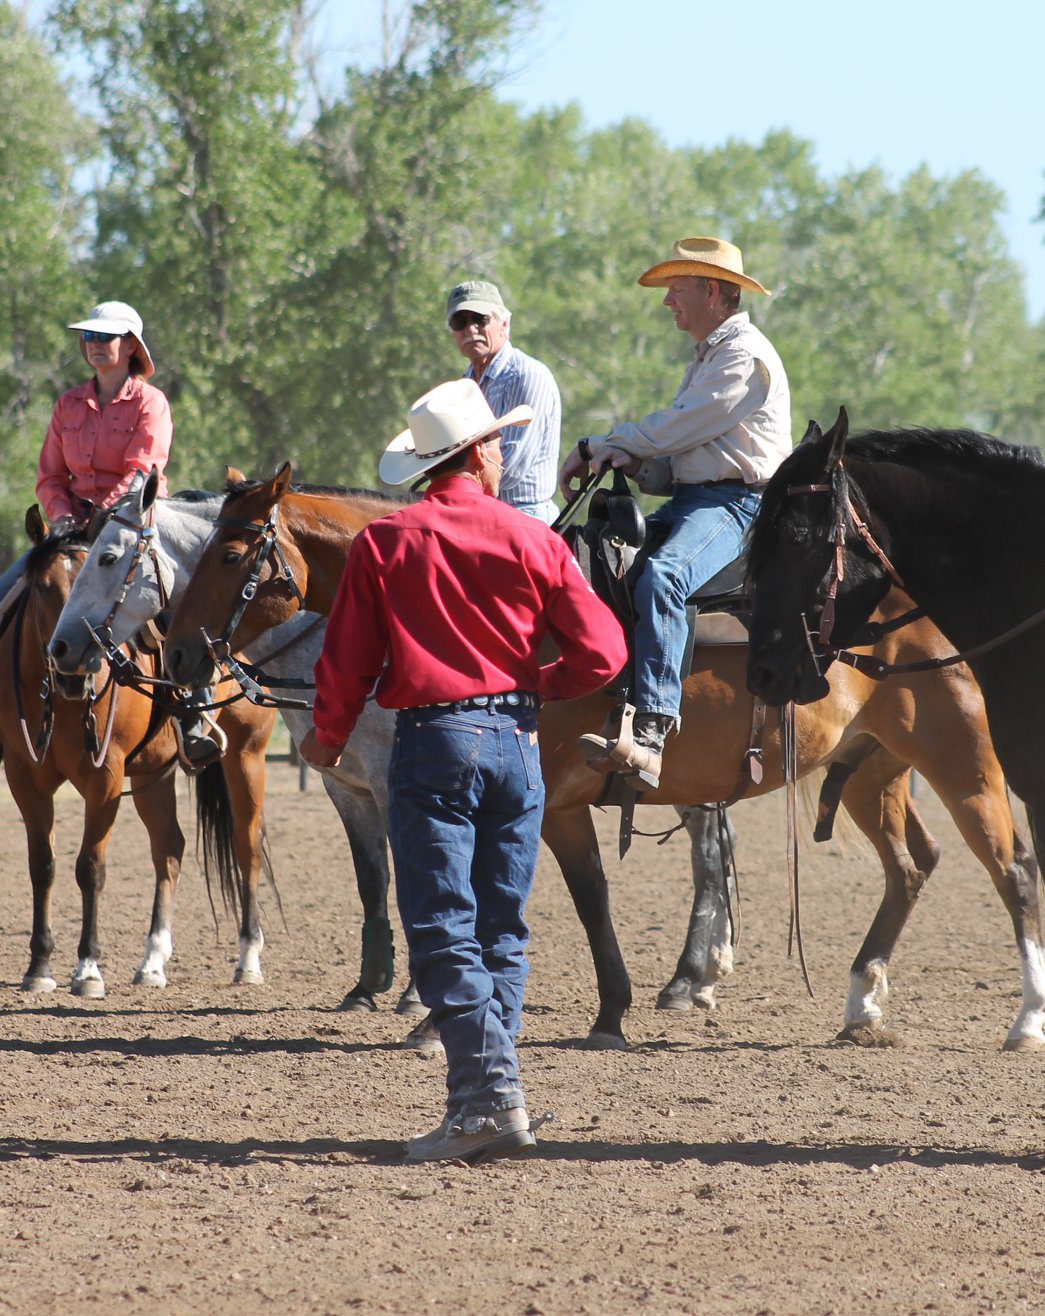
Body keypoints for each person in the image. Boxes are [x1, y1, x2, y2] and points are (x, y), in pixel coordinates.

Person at [299, 379, 625, 1164]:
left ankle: (487, 1101)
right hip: (516, 741)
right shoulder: (533, 540)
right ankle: (484, 1100)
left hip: (433, 743)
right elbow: (606, 653)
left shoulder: (385, 543)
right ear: (477, 454)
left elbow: (346, 664)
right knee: (500, 928)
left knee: (444, 928)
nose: (505, 450)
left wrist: (326, 737)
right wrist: (537, 688)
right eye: (497, 441)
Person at [556, 236, 791, 788]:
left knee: (663, 577)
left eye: (676, 290)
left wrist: (605, 443)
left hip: (740, 506)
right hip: (699, 501)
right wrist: (631, 461)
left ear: (712, 291)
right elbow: (688, 454)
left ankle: (652, 730)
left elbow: (680, 427)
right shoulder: (712, 355)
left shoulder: (742, 355)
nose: (667, 302)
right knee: (595, 563)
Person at [0, 300, 173, 762]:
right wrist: (63, 517)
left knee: (170, 601)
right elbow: (49, 476)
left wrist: (101, 515)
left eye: (105, 337)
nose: (95, 345)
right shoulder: (68, 404)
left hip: (132, 524)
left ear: (130, 346)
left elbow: (143, 468)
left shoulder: (151, 403)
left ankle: (192, 711)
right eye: (89, 337)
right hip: (72, 530)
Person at [444, 280, 562, 521]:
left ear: (505, 324)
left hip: (524, 513)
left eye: (480, 319)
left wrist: (453, 486)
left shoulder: (527, 375)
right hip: (478, 509)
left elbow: (510, 470)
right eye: (460, 322)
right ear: (453, 333)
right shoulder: (465, 384)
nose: (470, 329)